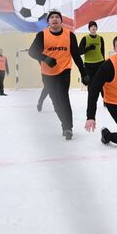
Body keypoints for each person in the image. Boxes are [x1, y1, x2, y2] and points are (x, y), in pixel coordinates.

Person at [28, 9, 87, 140]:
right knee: (55, 101)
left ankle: (68, 127)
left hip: (64, 70)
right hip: (47, 73)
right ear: (48, 21)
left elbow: (76, 56)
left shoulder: (69, 35)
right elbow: (32, 52)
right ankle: (64, 124)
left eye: (57, 17)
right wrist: (46, 58)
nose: (54, 19)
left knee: (63, 97)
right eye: (52, 17)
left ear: (61, 21)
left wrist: (84, 73)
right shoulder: (42, 35)